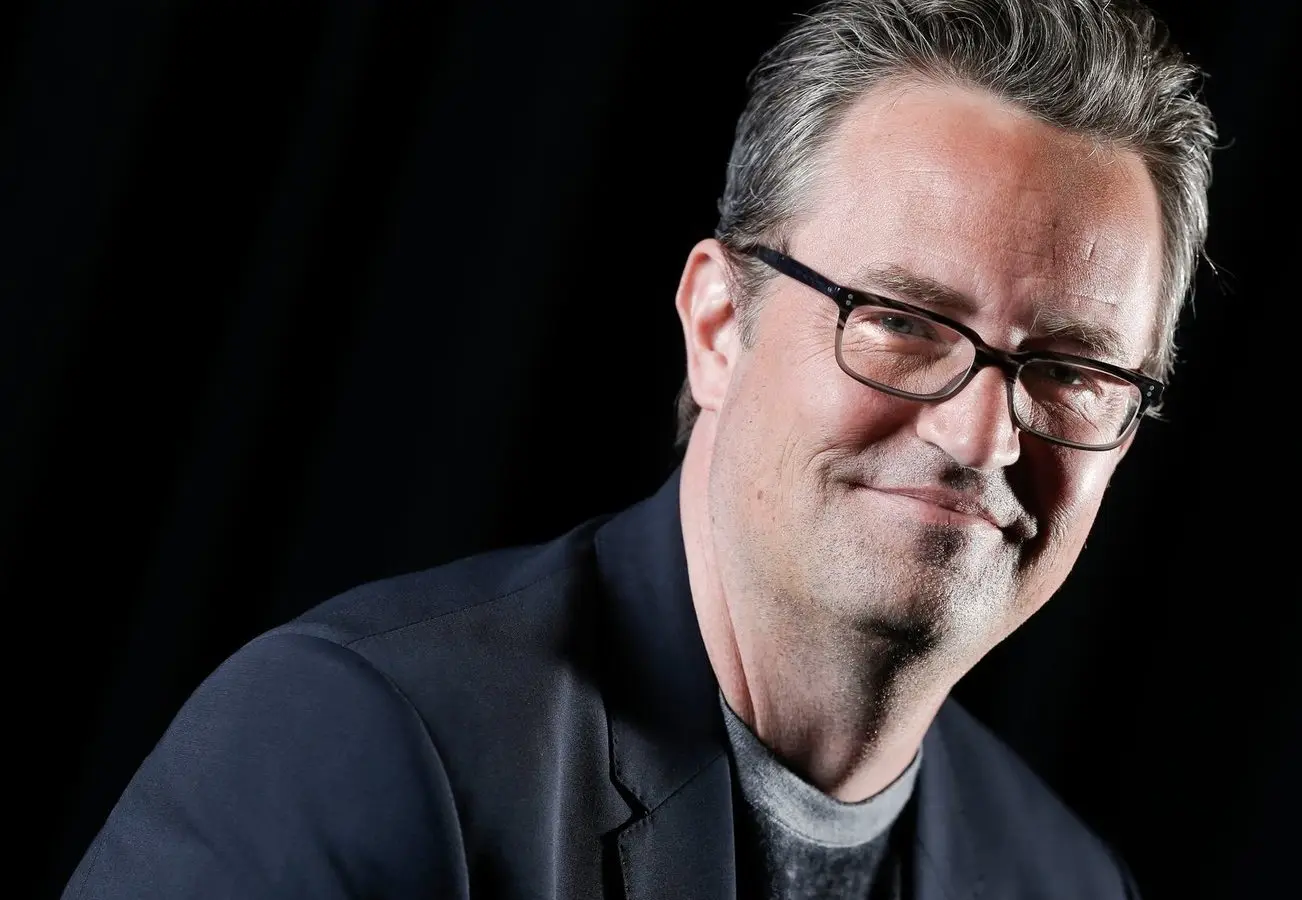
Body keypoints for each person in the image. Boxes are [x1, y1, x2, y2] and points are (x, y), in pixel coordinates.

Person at [63, 0, 1215, 897]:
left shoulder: (1065, 882)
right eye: (903, 323)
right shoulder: (356, 738)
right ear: (717, 327)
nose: (980, 434)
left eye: (1073, 370)